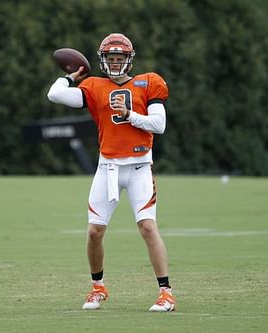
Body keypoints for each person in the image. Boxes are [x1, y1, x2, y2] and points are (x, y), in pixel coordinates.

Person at [47, 33, 175, 312]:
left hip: (140, 166)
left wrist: (129, 115)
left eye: (119, 58)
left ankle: (166, 293)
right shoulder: (93, 86)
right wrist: (72, 75)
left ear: (129, 60)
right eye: (110, 58)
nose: (115, 63)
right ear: (102, 61)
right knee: (94, 232)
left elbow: (159, 124)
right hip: (108, 167)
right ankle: (98, 287)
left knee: (148, 227)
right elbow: (54, 94)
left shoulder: (148, 82)